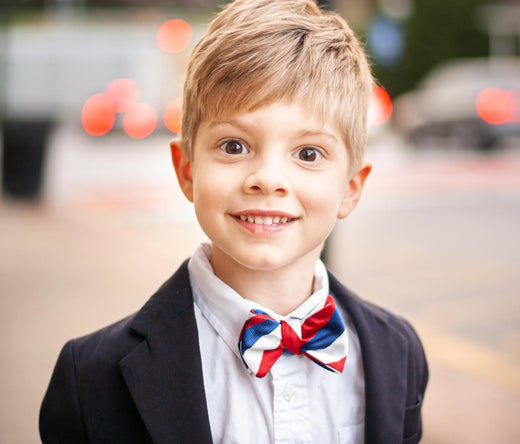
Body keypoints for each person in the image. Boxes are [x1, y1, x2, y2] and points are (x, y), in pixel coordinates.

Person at [39, 0, 428, 443]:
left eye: (308, 153)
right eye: (234, 146)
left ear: (351, 188)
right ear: (187, 170)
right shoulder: (92, 377)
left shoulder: (398, 354)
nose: (267, 179)